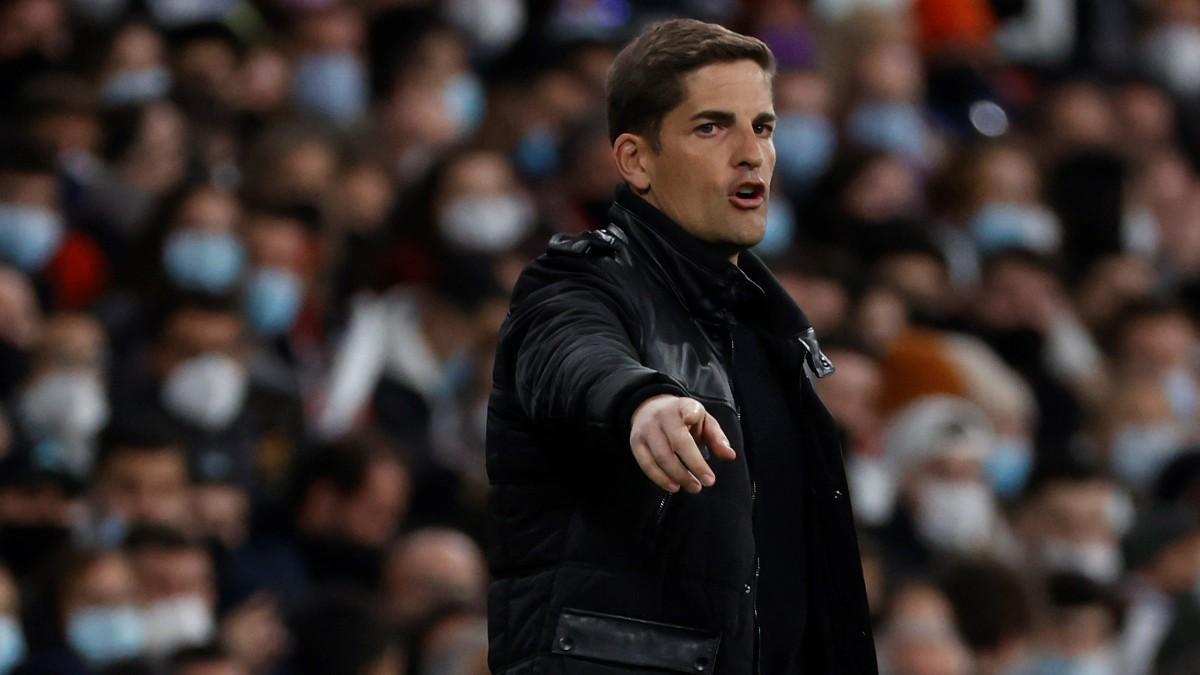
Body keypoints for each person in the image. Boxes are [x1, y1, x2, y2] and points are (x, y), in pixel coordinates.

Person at [486, 18, 875, 674]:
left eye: (764, 126)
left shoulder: (768, 335)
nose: (751, 154)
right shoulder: (580, 281)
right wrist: (642, 400)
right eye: (711, 127)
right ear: (637, 160)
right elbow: (572, 354)